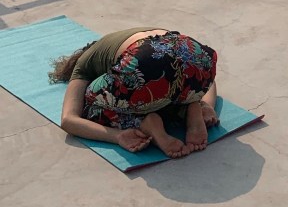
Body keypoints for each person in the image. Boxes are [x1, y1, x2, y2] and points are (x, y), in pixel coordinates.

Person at [49, 28, 219, 158]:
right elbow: (208, 82)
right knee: (181, 81)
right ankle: (194, 106)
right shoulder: (126, 37)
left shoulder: (84, 63)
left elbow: (69, 120)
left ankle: (146, 122)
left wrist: (117, 136)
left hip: (144, 58)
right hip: (196, 55)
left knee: (90, 101)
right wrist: (208, 105)